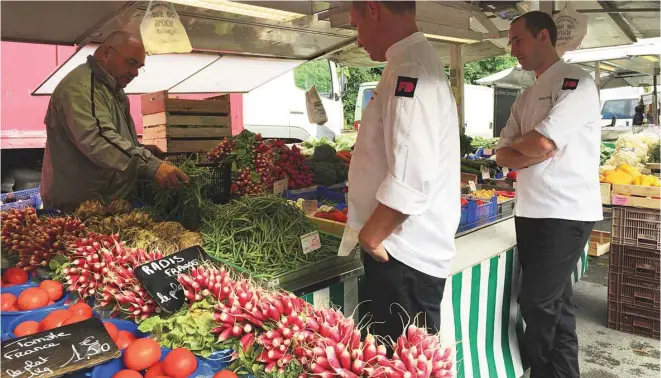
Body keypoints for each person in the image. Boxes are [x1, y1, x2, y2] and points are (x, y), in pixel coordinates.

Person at [343, 0, 460, 346]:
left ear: (374, 9)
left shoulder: (410, 70)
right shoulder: (408, 63)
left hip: (402, 255)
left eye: (356, 25)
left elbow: (411, 176)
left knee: (403, 362)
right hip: (402, 250)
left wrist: (370, 237)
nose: (358, 39)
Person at [495, 11, 602, 378]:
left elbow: (542, 140)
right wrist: (535, 151)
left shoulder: (577, 83)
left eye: (518, 40)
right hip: (529, 211)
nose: (513, 50)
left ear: (544, 36)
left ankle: (541, 371)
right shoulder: (525, 96)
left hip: (565, 213)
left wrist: (532, 148)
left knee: (536, 303)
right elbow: (503, 152)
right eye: (510, 43)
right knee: (558, 304)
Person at [41, 31, 189, 211]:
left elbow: (112, 138)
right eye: (131, 63)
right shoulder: (83, 88)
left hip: (107, 204)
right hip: (81, 210)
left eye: (139, 67)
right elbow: (98, 139)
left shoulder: (112, 89)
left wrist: (141, 149)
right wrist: (150, 164)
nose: (135, 73)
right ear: (106, 52)